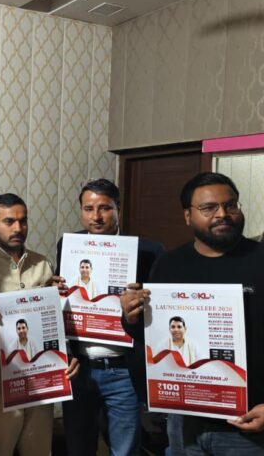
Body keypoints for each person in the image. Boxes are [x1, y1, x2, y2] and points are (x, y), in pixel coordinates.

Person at [121, 172, 264, 455]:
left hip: (250, 428)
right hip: (183, 422)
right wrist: (131, 317)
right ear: (188, 216)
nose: (222, 214)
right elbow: (151, 335)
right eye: (209, 208)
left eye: (230, 205)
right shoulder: (168, 265)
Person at [55, 178, 164, 456]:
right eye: (88, 208)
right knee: (78, 448)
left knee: (125, 450)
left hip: (123, 370)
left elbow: (160, 315)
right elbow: (62, 303)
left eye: (104, 208)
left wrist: (143, 301)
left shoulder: (148, 251)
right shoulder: (68, 245)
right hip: (79, 368)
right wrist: (55, 290)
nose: (96, 216)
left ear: (118, 208)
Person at [0, 193, 79, 456]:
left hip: (40, 381)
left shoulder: (43, 265)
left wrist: (66, 354)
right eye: (9, 221)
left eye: (23, 221)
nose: (18, 228)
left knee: (39, 451)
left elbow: (54, 321)